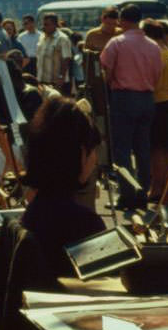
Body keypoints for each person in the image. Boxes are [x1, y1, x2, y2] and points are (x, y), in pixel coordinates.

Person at [21, 98, 106, 278]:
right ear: (79, 154)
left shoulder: (33, 213)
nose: (95, 159)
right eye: (93, 151)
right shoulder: (85, 225)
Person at [100, 4, 162, 210]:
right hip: (146, 98)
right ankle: (142, 193)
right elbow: (157, 75)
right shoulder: (154, 46)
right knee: (143, 148)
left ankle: (127, 195)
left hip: (124, 97)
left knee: (122, 149)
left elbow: (106, 72)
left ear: (122, 21)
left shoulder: (116, 43)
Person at [141, 19, 168, 202]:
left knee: (157, 149)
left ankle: (157, 189)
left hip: (158, 101)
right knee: (166, 149)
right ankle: (166, 188)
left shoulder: (157, 53)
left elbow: (151, 79)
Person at [36, 13, 73, 95]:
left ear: (55, 25)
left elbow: (66, 59)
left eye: (47, 24)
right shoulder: (42, 38)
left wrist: (61, 78)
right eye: (43, 24)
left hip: (57, 82)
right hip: (43, 81)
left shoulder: (62, 39)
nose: (43, 27)